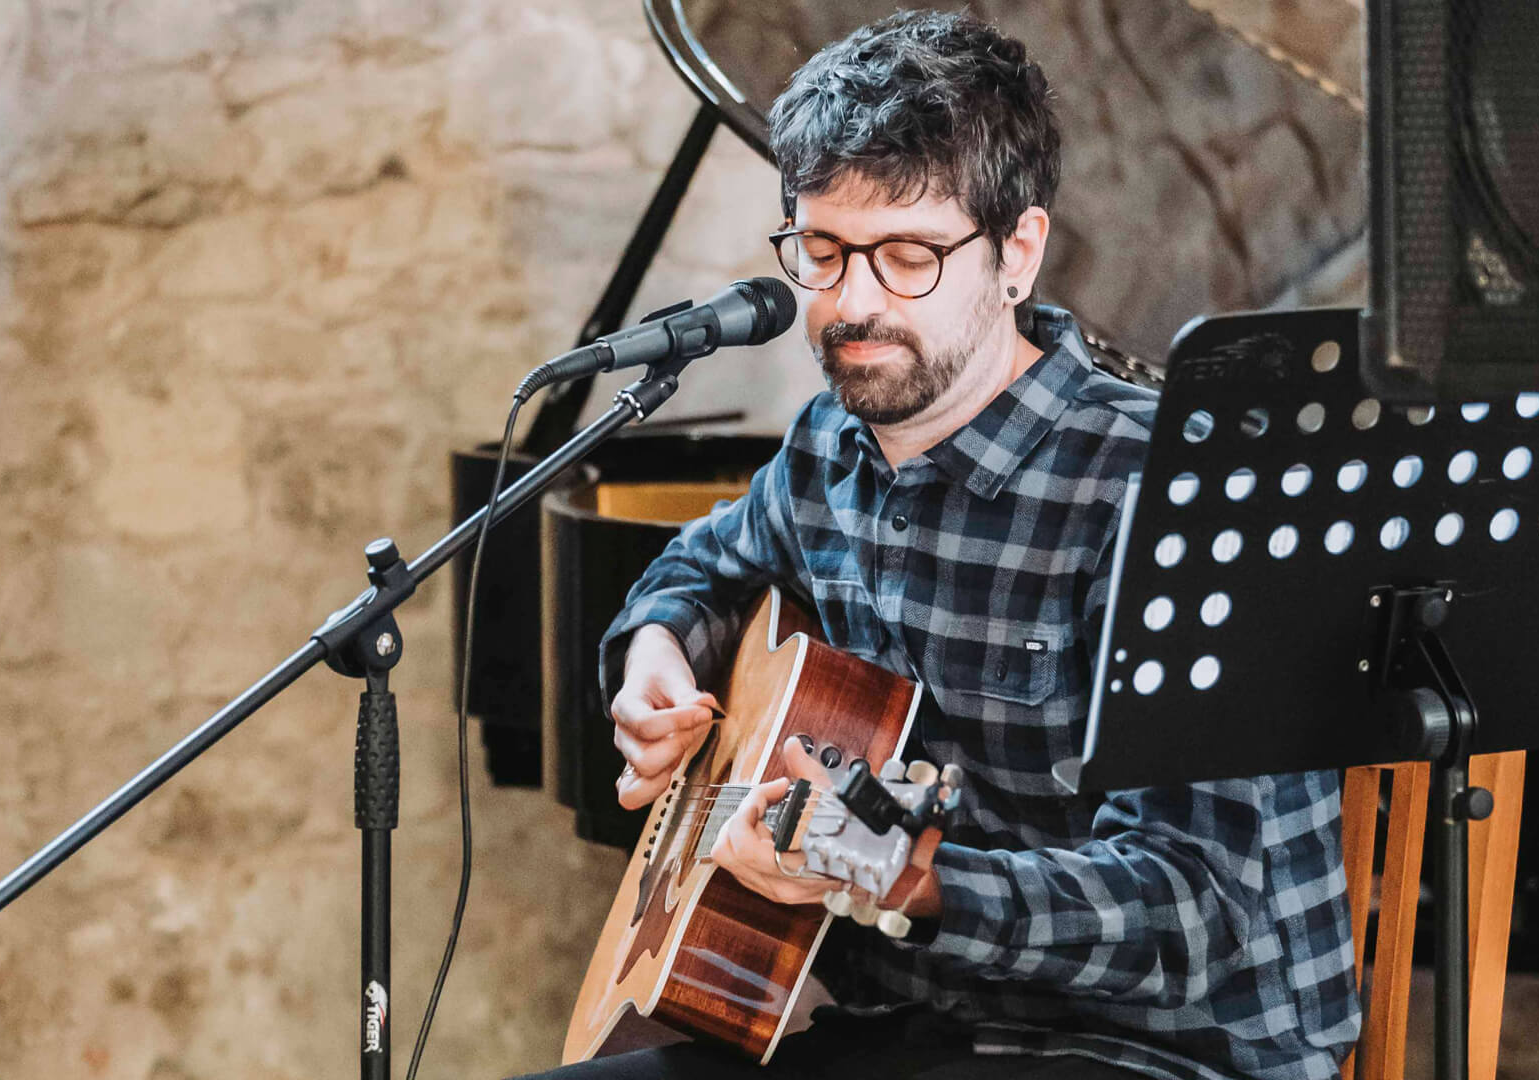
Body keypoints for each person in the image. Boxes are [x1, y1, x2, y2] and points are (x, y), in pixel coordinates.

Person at [528, 11, 1358, 1080]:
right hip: (911, 1025)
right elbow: (698, 568)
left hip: (1161, 1050)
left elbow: (1198, 917)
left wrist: (901, 879)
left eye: (909, 256)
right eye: (822, 251)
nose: (855, 301)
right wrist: (653, 661)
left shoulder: (1178, 498)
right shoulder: (829, 448)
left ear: (1019, 252)